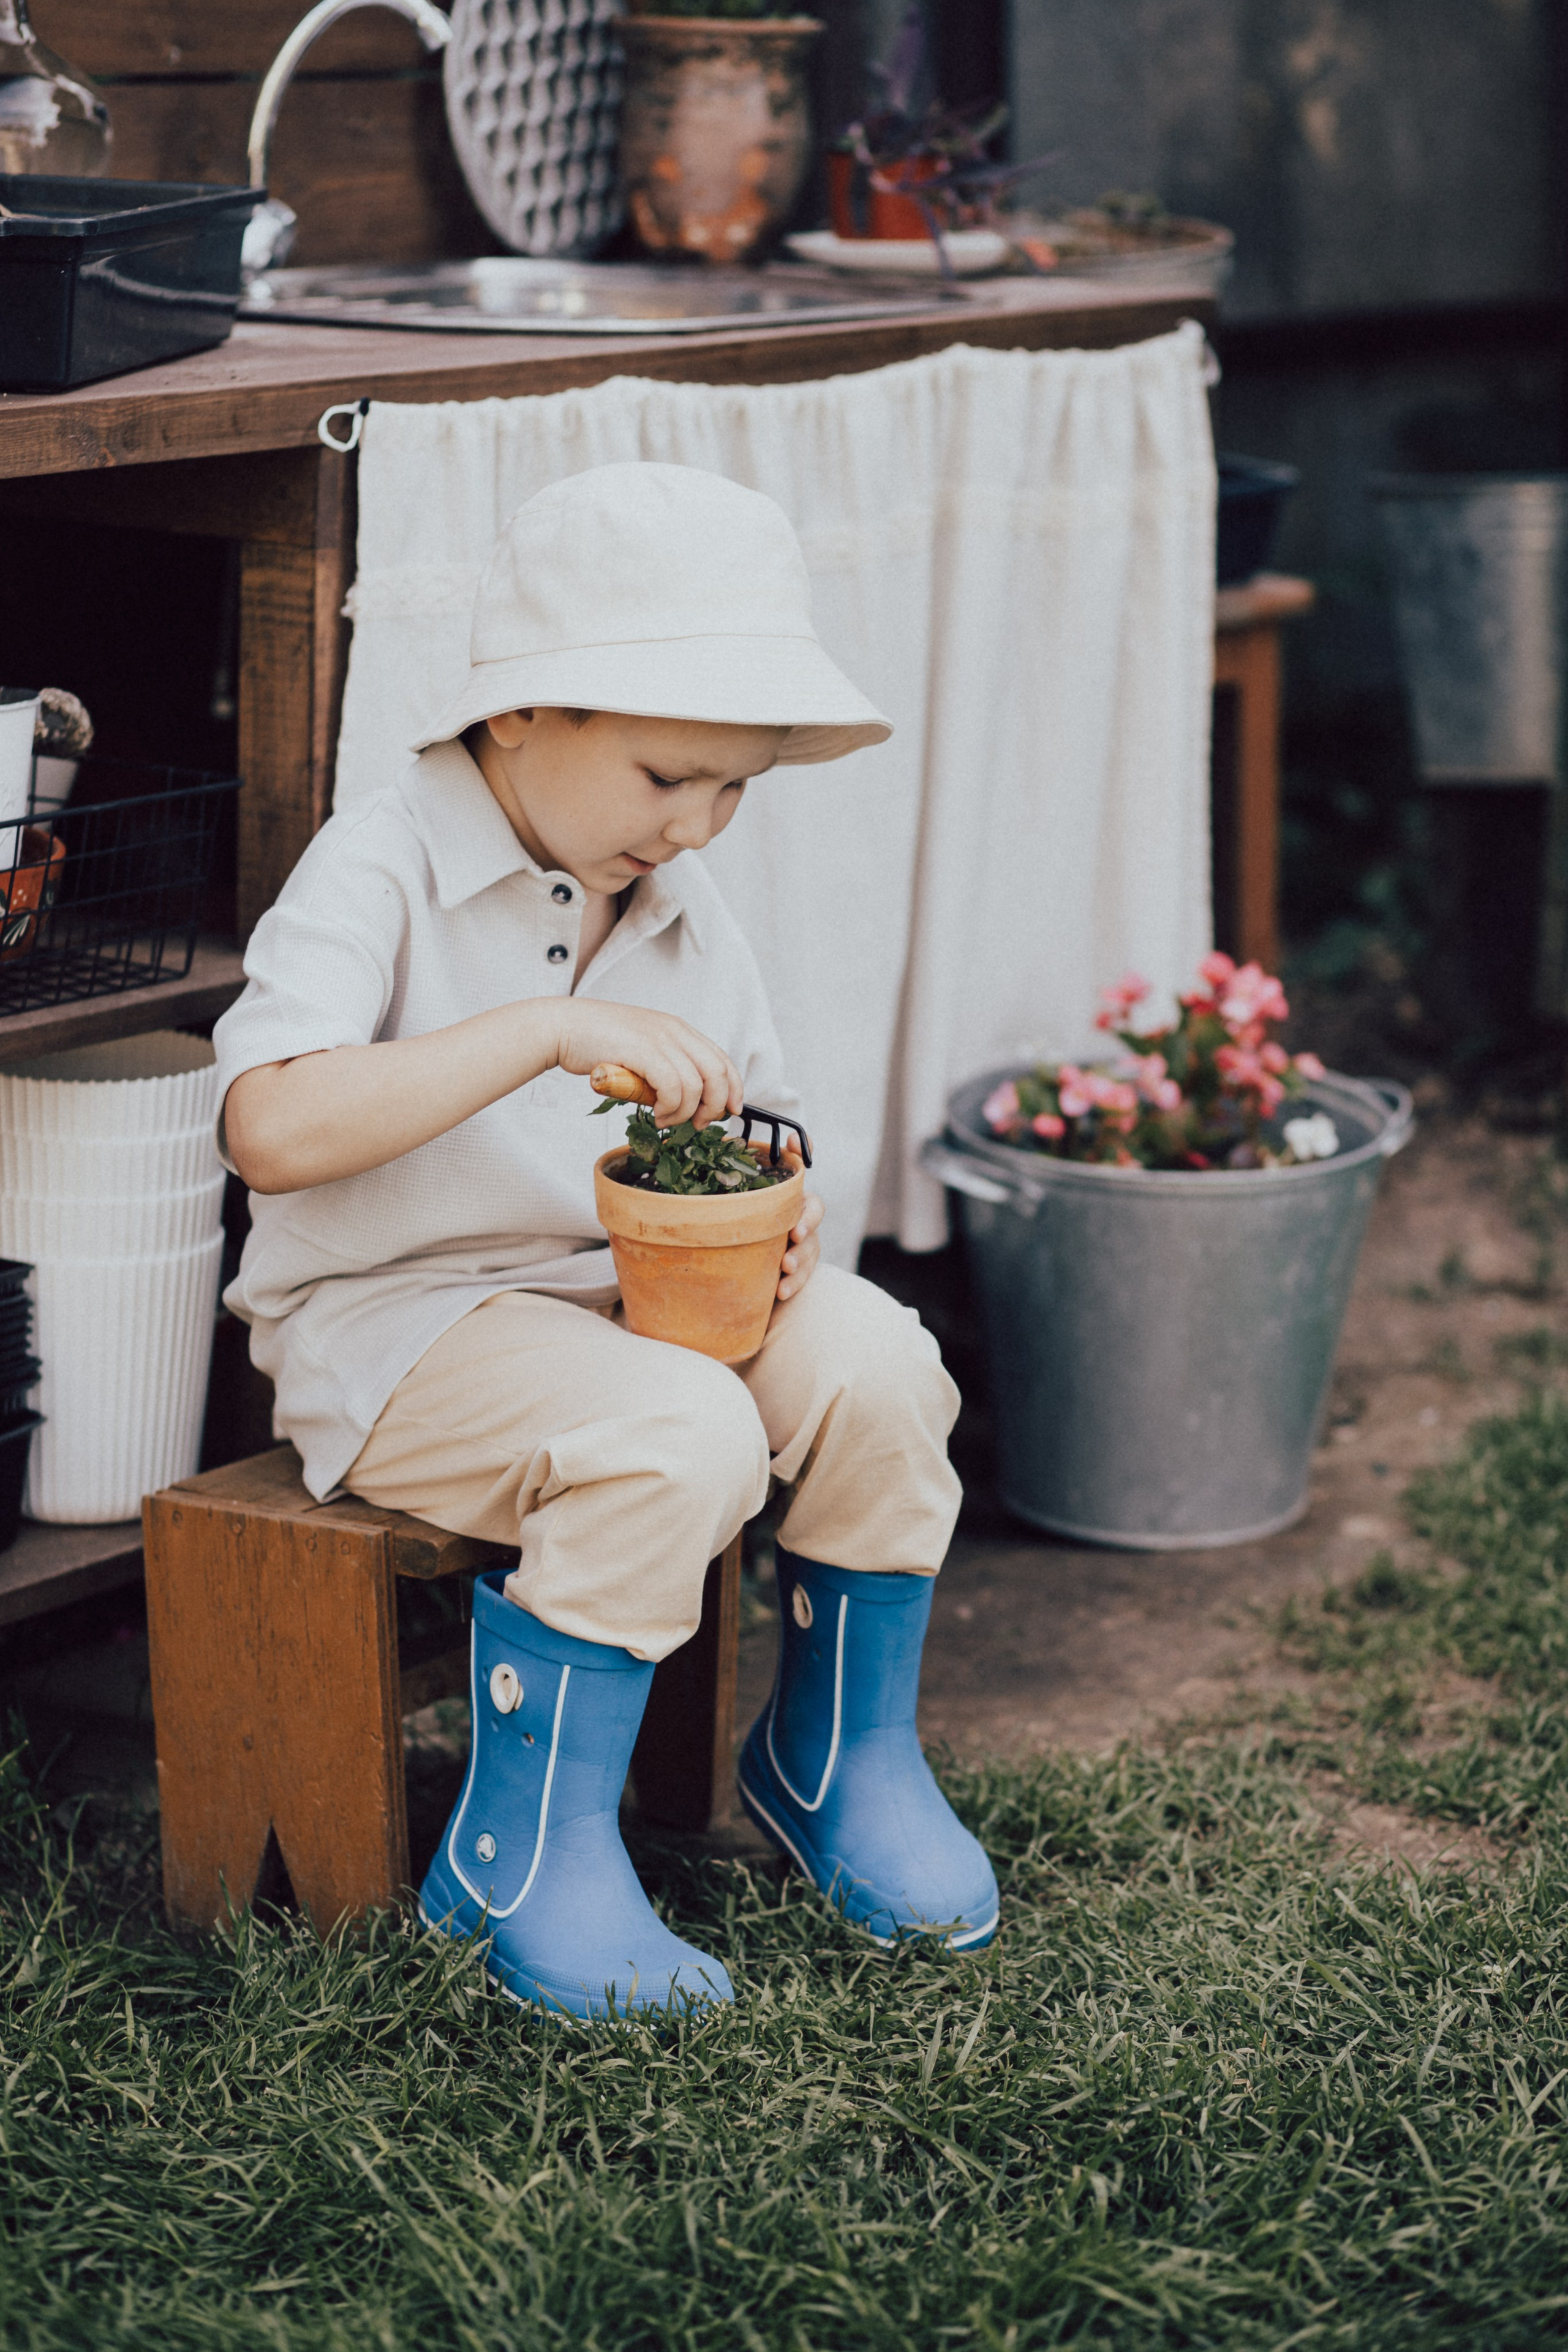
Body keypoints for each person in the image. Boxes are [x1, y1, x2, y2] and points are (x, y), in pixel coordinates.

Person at [214, 462, 998, 2020]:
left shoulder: (683, 903)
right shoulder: (378, 866)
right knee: (680, 1426)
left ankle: (837, 1754)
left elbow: (763, 1127)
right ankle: (520, 1857)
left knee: (877, 1363)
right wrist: (546, 1028)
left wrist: (783, 1232)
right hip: (395, 1330)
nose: (697, 824)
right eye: (663, 777)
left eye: (733, 791)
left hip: (622, 1309)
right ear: (519, 716)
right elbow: (272, 1129)